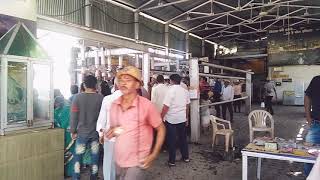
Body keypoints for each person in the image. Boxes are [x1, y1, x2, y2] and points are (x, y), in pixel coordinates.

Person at [105, 66, 166, 180]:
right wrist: (112, 132)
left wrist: (153, 154)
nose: (123, 83)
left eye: (128, 80)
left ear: (138, 84)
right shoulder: (114, 105)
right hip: (119, 160)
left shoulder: (146, 106)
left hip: (138, 162)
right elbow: (117, 129)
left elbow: (161, 129)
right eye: (121, 80)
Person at [70, 75, 104, 180]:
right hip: (95, 134)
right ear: (95, 85)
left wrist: (73, 131)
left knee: (78, 156)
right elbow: (103, 117)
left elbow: (74, 116)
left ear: (84, 85)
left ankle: (76, 177)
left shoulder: (77, 97)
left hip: (81, 133)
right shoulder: (101, 98)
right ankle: (93, 177)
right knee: (95, 156)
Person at [161, 74, 190, 167]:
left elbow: (166, 107)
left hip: (171, 120)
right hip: (182, 119)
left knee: (172, 140)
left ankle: (172, 161)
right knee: (183, 139)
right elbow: (187, 106)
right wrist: (186, 118)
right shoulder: (185, 91)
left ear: (171, 81)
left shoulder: (170, 91)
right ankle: (186, 157)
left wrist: (161, 117)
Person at [96, 84, 122, 180]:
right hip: (126, 138)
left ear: (115, 86)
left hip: (110, 137)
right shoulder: (133, 99)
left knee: (108, 162)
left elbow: (102, 120)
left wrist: (100, 134)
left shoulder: (107, 99)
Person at [304, 75, 320, 176]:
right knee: (309, 155)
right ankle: (309, 177)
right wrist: (308, 117)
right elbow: (307, 97)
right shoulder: (316, 80)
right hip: (316, 125)